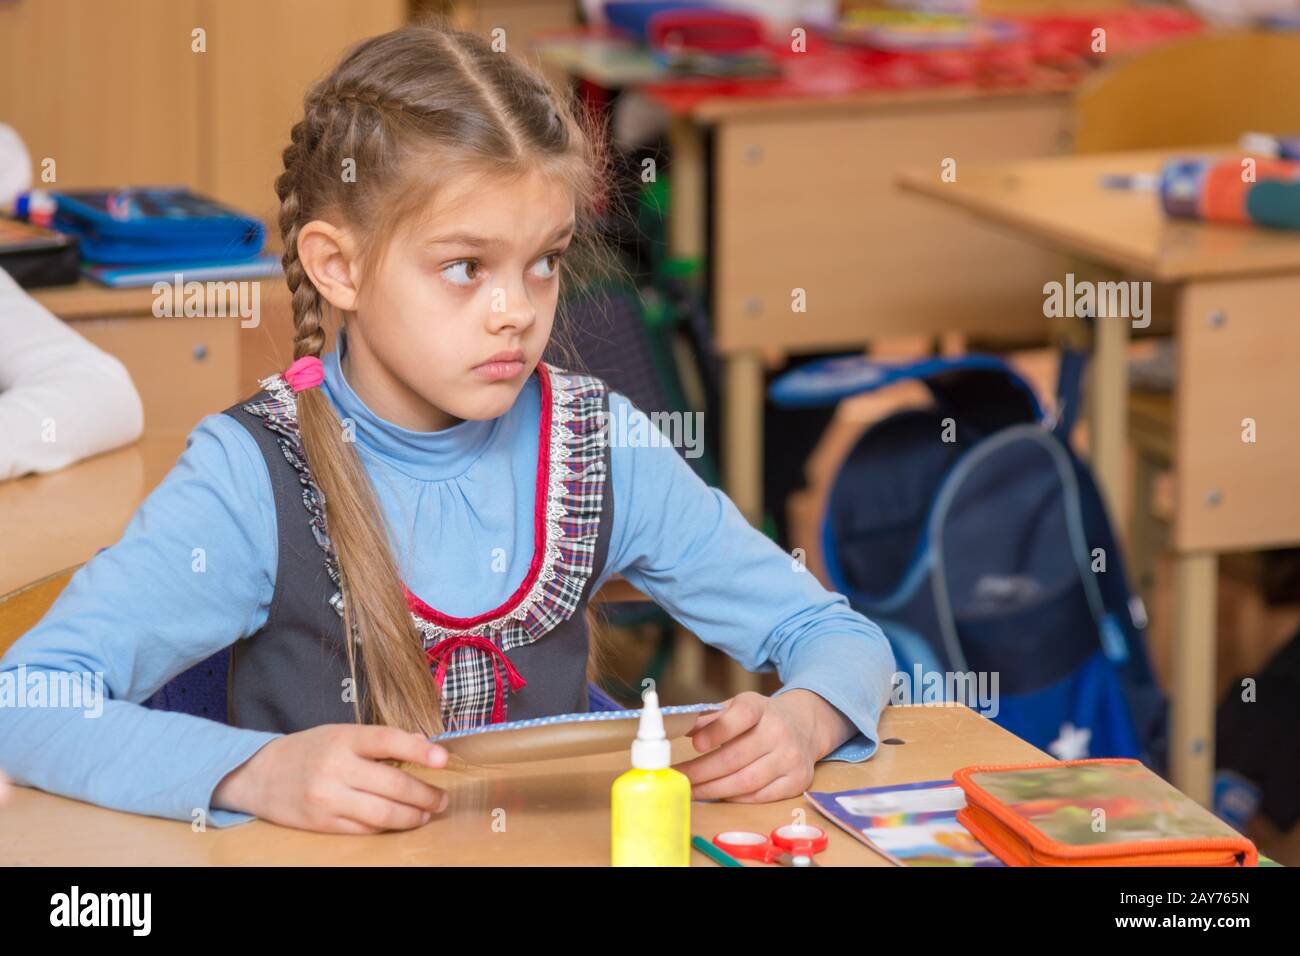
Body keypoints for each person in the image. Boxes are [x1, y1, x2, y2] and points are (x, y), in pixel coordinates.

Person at [0, 22, 894, 834]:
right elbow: (26, 700)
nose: (515, 312)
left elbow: (836, 634)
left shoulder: (599, 443)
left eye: (543, 263)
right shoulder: (248, 476)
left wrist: (806, 718)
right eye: (465, 267)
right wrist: (254, 773)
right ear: (337, 266)